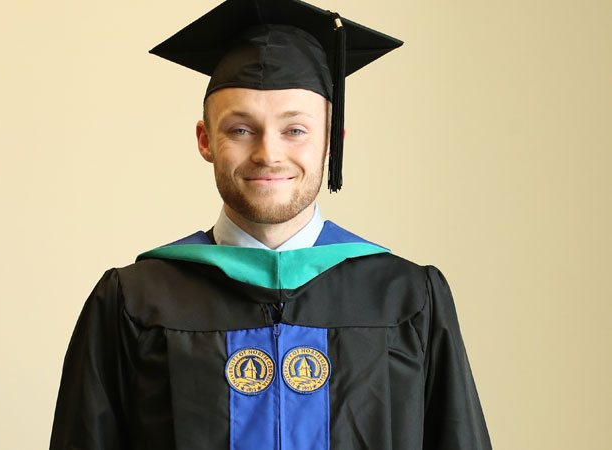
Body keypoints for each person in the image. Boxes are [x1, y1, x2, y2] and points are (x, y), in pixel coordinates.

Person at [50, 0, 492, 449]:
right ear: (205, 140)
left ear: (331, 141)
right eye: (240, 129)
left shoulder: (406, 298)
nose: (268, 153)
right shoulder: (135, 303)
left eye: (295, 129)